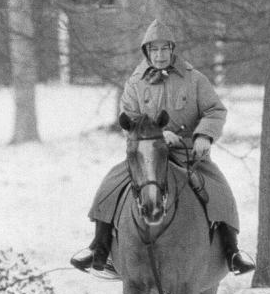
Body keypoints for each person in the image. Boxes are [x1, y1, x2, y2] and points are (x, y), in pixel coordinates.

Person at [70, 19, 255, 277]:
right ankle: (99, 249)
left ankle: (232, 252)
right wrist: (157, 135)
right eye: (153, 50)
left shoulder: (194, 79)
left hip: (188, 154)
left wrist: (204, 136)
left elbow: (215, 110)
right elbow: (129, 117)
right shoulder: (136, 82)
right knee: (110, 184)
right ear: (147, 52)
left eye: (164, 49)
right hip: (147, 153)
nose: (159, 55)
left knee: (219, 188)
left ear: (172, 50)